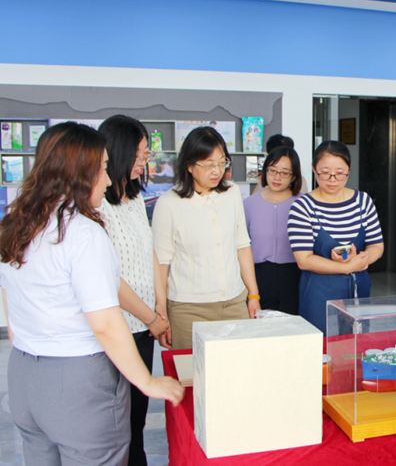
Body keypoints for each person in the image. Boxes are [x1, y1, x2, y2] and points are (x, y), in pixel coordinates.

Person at [0, 122, 183, 466]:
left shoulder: (17, 222)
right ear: (80, 173)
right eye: (102, 169)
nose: (109, 180)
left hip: (24, 373)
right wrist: (146, 381)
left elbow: (11, 313)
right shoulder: (83, 232)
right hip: (78, 382)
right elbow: (105, 324)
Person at [98, 115, 172, 466]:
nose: (144, 162)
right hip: (117, 329)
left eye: (146, 155)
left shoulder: (135, 199)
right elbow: (108, 278)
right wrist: (151, 319)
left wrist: (160, 308)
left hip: (144, 326)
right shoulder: (97, 205)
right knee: (117, 426)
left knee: (136, 421)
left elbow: (149, 254)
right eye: (138, 155)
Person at [152, 126, 261, 350]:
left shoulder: (231, 193)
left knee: (238, 365)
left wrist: (253, 295)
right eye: (209, 164)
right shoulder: (169, 203)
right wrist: (161, 309)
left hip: (234, 303)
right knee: (190, 369)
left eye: (222, 163)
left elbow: (242, 246)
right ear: (189, 165)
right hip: (188, 310)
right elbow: (161, 263)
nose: (217, 171)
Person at [288, 140, 384, 334]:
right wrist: (347, 267)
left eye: (340, 173)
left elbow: (376, 246)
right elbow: (304, 260)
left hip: (358, 290)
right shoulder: (302, 207)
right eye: (325, 173)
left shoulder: (363, 201)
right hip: (319, 293)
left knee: (355, 344)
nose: (332, 180)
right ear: (314, 170)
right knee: (321, 345)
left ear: (349, 170)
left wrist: (361, 260)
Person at [244, 146, 303, 315]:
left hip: (295, 277)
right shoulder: (249, 204)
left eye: (285, 172)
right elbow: (241, 247)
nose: (277, 177)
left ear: (294, 176)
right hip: (259, 278)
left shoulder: (304, 203)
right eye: (272, 170)